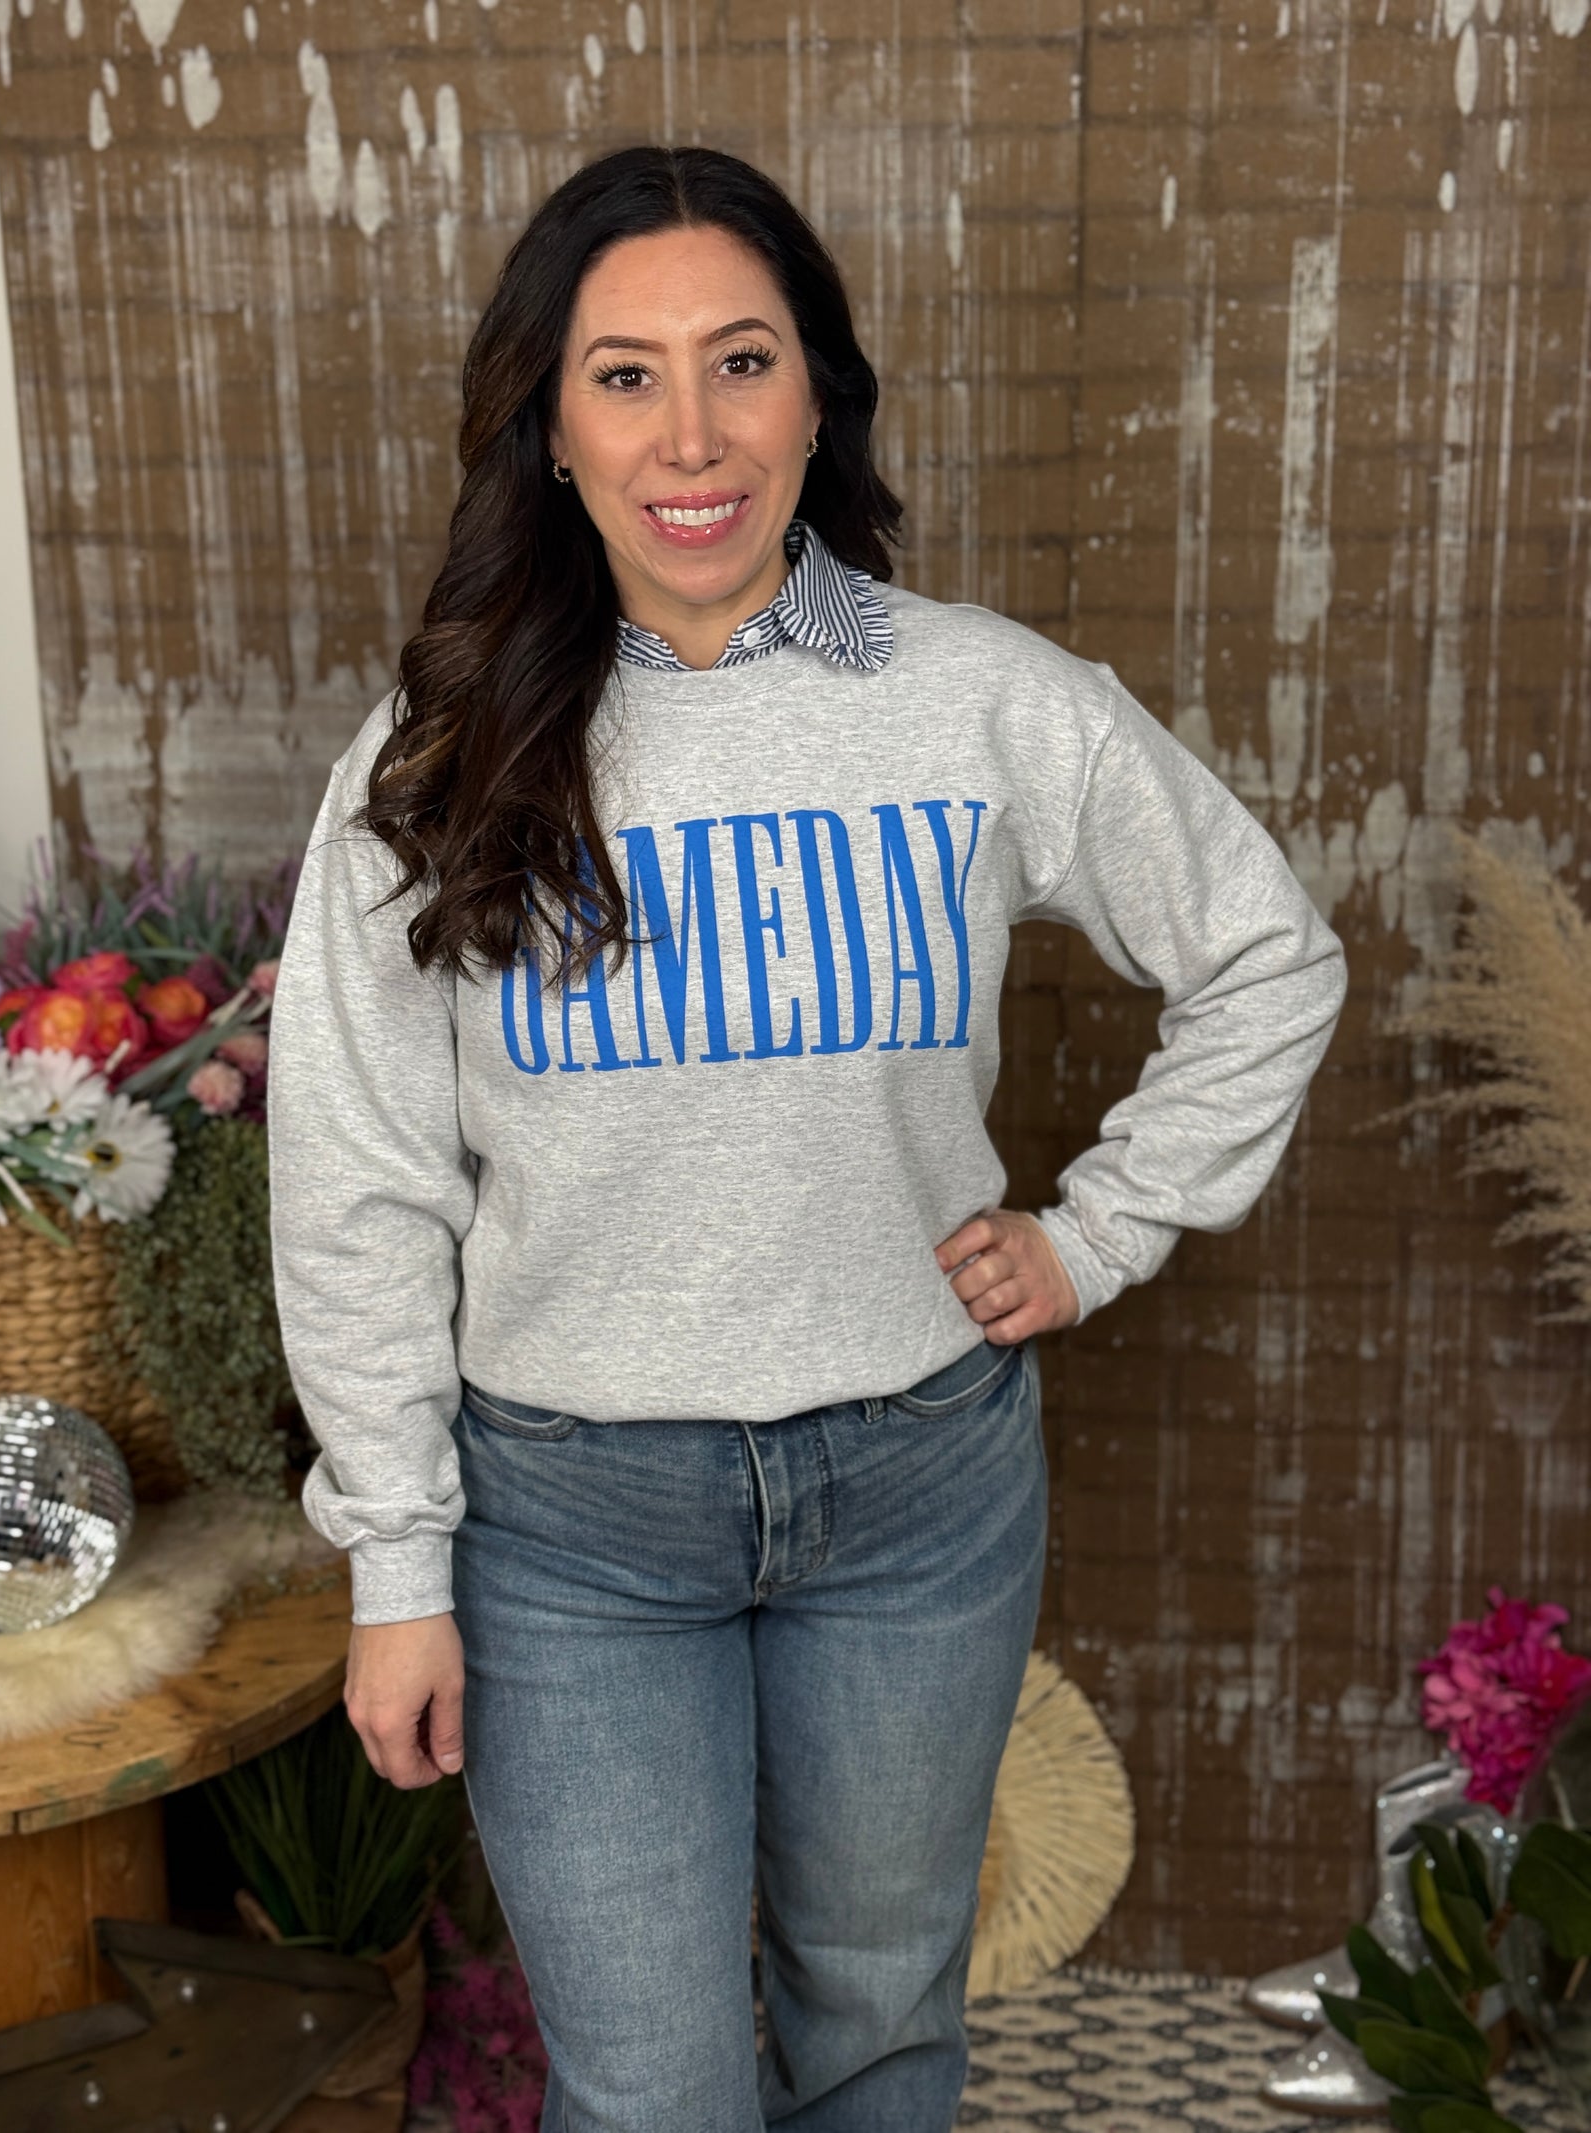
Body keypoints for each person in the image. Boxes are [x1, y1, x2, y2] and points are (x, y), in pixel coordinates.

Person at [267, 142, 1348, 2133]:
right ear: (550, 426)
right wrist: (397, 1563)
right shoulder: (435, 757)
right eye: (625, 375)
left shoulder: (975, 699)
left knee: (875, 2033)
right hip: (571, 1527)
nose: (691, 434)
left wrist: (1096, 1232)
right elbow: (359, 1185)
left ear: (816, 396)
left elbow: (1266, 954)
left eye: (741, 361)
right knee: (651, 2088)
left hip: (917, 1490)